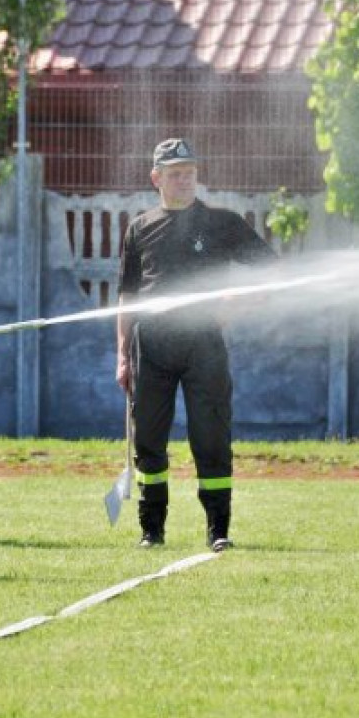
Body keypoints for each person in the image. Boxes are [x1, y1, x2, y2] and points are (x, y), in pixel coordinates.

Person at [116, 139, 278, 552]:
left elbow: (273, 272)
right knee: (149, 442)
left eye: (189, 171)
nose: (184, 179)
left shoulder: (222, 222)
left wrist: (234, 304)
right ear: (156, 179)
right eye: (174, 173)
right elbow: (127, 297)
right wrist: (122, 355)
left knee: (210, 438)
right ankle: (152, 530)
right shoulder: (139, 228)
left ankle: (218, 530)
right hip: (150, 348)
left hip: (203, 346)